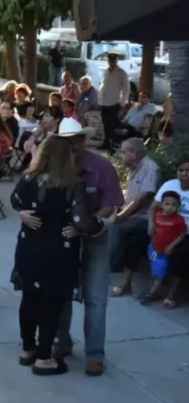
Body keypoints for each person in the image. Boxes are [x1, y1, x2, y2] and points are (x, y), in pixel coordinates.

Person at [10, 135, 109, 375]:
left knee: (30, 298)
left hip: (29, 247)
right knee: (51, 303)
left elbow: (15, 200)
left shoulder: (27, 178)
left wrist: (23, 212)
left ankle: (27, 349)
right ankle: (44, 357)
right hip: (58, 250)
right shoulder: (72, 185)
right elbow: (82, 222)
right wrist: (104, 223)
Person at [43, 118, 123, 377]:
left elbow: (111, 206)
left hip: (95, 238)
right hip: (64, 240)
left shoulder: (102, 167)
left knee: (96, 298)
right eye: (66, 141)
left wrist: (86, 226)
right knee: (61, 293)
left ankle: (95, 354)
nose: (72, 146)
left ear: (82, 140)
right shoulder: (53, 166)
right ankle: (61, 341)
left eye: (75, 140)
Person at [108, 138, 159, 272]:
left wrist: (122, 215)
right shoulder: (133, 169)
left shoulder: (150, 167)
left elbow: (144, 196)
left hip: (143, 218)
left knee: (115, 227)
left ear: (135, 154)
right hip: (131, 214)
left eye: (123, 152)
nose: (121, 155)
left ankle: (109, 265)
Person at [145, 157, 189, 309]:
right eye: (181, 170)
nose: (185, 173)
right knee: (134, 241)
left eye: (188, 171)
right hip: (162, 227)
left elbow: (183, 232)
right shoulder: (170, 185)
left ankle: (171, 295)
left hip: (183, 233)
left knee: (182, 255)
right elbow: (153, 208)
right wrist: (151, 224)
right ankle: (127, 284)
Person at [138, 191, 186, 306]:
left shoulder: (179, 220)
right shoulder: (158, 215)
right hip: (154, 249)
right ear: (162, 204)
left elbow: (182, 234)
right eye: (167, 204)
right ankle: (150, 291)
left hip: (165, 252)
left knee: (160, 274)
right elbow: (156, 230)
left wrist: (171, 246)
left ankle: (151, 294)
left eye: (174, 205)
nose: (170, 207)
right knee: (154, 272)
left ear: (178, 207)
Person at [98, 53, 130, 149]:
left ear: (116, 61)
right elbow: (103, 86)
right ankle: (106, 143)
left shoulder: (121, 73)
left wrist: (122, 102)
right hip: (104, 102)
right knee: (105, 124)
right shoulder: (106, 71)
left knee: (111, 124)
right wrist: (99, 100)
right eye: (110, 60)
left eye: (113, 60)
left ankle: (112, 143)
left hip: (114, 102)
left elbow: (126, 89)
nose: (111, 62)